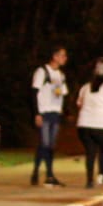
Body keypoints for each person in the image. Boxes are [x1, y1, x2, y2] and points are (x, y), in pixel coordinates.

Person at [75, 59, 103, 188]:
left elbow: (79, 104)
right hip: (101, 125)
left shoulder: (85, 87)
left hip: (84, 125)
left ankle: (89, 180)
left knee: (90, 152)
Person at [31, 46, 68, 186]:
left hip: (55, 112)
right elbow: (34, 92)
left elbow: (63, 93)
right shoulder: (42, 71)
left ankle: (47, 173)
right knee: (44, 143)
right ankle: (42, 173)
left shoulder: (61, 75)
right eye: (62, 55)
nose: (64, 59)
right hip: (44, 112)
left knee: (50, 145)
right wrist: (37, 113)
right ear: (55, 56)